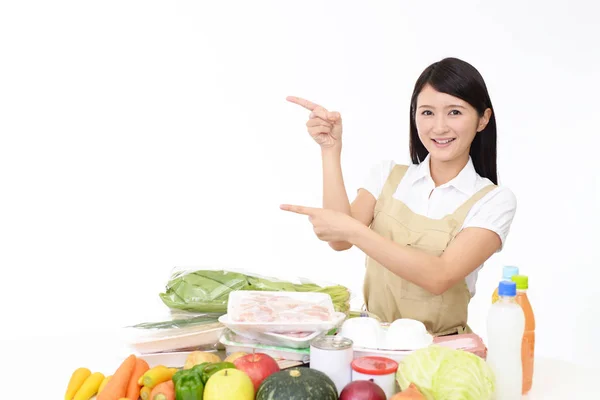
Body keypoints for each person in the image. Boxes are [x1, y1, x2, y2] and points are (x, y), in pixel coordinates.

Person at [281, 57, 517, 336]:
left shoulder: (493, 200)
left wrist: (355, 230)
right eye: (427, 112)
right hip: (370, 338)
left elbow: (439, 276)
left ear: (483, 119)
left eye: (455, 112)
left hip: (440, 351)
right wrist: (330, 149)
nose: (439, 127)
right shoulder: (388, 175)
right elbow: (340, 239)